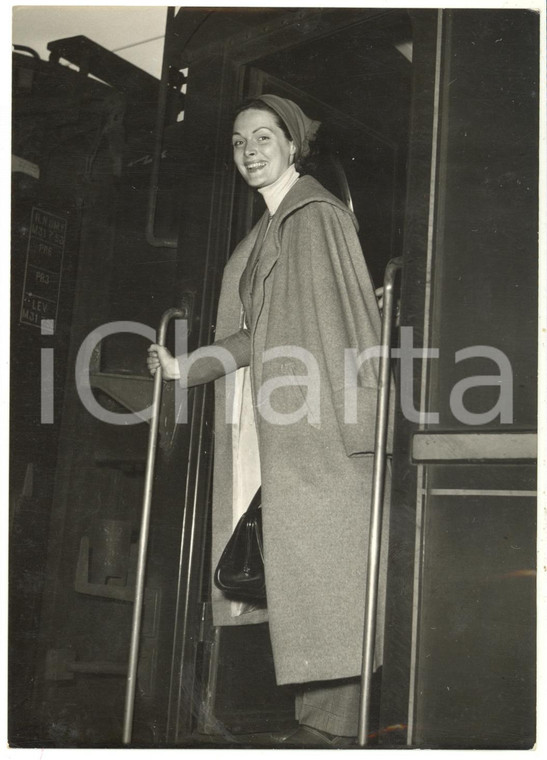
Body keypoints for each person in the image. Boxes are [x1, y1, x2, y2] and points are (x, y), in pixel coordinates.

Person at [147, 94, 390, 746]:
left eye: (262, 137)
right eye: (238, 141)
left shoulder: (312, 216)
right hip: (295, 427)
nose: (249, 151)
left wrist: (358, 425)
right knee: (313, 579)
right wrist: (184, 369)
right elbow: (253, 335)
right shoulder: (269, 230)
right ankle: (323, 729)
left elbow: (348, 322)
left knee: (326, 577)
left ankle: (334, 734)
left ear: (292, 145)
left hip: (321, 426)